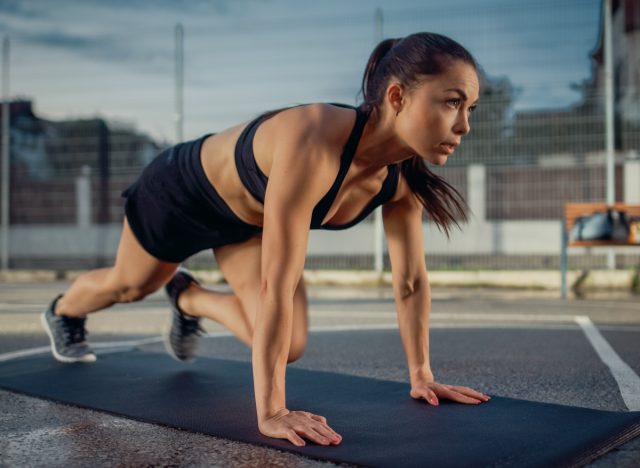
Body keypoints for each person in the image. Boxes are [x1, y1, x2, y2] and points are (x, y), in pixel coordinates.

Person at [41, 31, 490, 448]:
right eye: (452, 103)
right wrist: (272, 410)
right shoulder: (313, 140)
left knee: (288, 346)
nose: (464, 125)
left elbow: (410, 282)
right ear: (397, 96)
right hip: (181, 194)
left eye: (470, 109)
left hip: (246, 223)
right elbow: (277, 284)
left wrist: (421, 374)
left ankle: (188, 298)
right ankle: (63, 311)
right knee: (130, 286)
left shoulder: (400, 183)